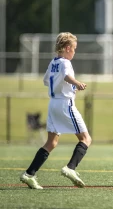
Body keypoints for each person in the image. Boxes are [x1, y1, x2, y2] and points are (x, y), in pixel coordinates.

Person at [20, 32, 92, 189]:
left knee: (51, 142)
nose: (74, 51)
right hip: (65, 104)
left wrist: (63, 84)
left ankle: (29, 174)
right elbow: (66, 76)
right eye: (74, 48)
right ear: (67, 48)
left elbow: (46, 80)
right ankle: (70, 168)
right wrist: (77, 83)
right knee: (86, 139)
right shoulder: (66, 62)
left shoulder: (54, 62)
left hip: (53, 104)